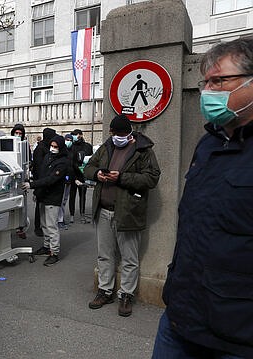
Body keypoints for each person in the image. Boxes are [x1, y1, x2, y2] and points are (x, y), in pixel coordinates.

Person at [152, 36, 253, 358]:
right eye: (205, 82)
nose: (207, 91)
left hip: (238, 334)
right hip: (181, 316)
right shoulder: (209, 144)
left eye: (219, 81)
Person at [84, 114, 160, 317]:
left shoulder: (143, 150)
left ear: (129, 134)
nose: (116, 137)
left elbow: (152, 177)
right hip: (104, 210)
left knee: (129, 257)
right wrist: (97, 174)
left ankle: (126, 295)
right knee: (104, 254)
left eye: (120, 134)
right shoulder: (107, 146)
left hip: (128, 211)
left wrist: (122, 178)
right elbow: (88, 167)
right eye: (114, 133)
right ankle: (105, 290)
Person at [22, 134, 68, 267]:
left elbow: (51, 179)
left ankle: (54, 252)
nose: (53, 148)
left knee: (52, 226)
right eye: (52, 146)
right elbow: (42, 175)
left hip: (53, 198)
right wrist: (36, 191)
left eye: (56, 147)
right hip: (43, 196)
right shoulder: (48, 157)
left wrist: (32, 185)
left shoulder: (63, 162)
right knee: (44, 224)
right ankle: (47, 246)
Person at [31, 128, 56, 237]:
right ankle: (38, 227)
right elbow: (38, 167)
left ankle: (44, 225)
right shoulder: (40, 149)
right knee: (39, 205)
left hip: (46, 180)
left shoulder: (46, 147)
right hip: (41, 180)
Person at [70, 129, 93, 223]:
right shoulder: (71, 146)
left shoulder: (87, 146)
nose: (75, 137)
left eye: (76, 135)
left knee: (82, 195)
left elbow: (91, 159)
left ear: (81, 135)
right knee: (72, 195)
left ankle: (82, 214)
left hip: (83, 174)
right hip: (73, 174)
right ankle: (71, 214)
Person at [11, 123, 28, 239]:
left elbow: (27, 161)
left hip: (21, 178)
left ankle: (20, 227)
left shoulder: (25, 146)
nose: (18, 135)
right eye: (16, 133)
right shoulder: (9, 144)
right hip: (11, 178)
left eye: (20, 134)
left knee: (22, 204)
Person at [57, 134, 74, 230]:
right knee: (61, 200)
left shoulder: (71, 152)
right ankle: (59, 220)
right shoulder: (62, 152)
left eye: (70, 140)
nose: (69, 141)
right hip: (64, 179)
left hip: (69, 179)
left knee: (64, 201)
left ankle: (61, 218)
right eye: (67, 139)